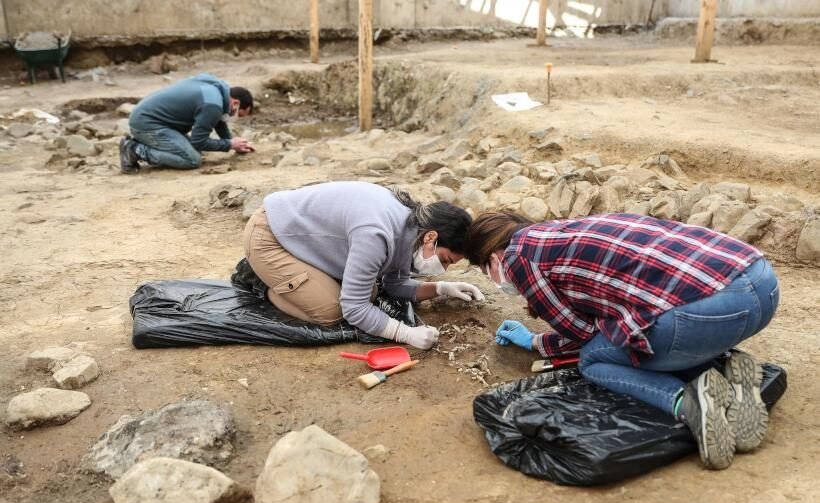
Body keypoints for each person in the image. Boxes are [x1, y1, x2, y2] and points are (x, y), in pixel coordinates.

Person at [464, 211, 779, 470]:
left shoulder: (518, 257)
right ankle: (726, 373)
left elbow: (581, 335)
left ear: (492, 257)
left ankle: (690, 404)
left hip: (709, 312)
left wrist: (536, 342)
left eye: (485, 270)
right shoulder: (563, 230)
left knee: (594, 359)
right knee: (643, 325)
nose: (495, 280)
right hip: (761, 285)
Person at [242, 181, 484, 349]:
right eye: (444, 260)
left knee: (371, 291)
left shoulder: (409, 228)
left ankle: (291, 276)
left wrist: (441, 288)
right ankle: (260, 281)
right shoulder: (376, 234)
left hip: (300, 237)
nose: (442, 267)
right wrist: (404, 333)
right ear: (431, 237)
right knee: (331, 311)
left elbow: (394, 284)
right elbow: (353, 308)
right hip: (270, 237)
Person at [119, 73, 255, 173]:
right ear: (236, 103)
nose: (235, 117)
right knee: (192, 159)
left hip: (154, 119)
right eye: (239, 114)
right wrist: (229, 144)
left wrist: (232, 143)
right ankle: (134, 150)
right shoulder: (212, 104)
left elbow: (217, 120)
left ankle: (144, 144)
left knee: (193, 151)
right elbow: (199, 142)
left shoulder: (215, 89)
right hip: (147, 124)